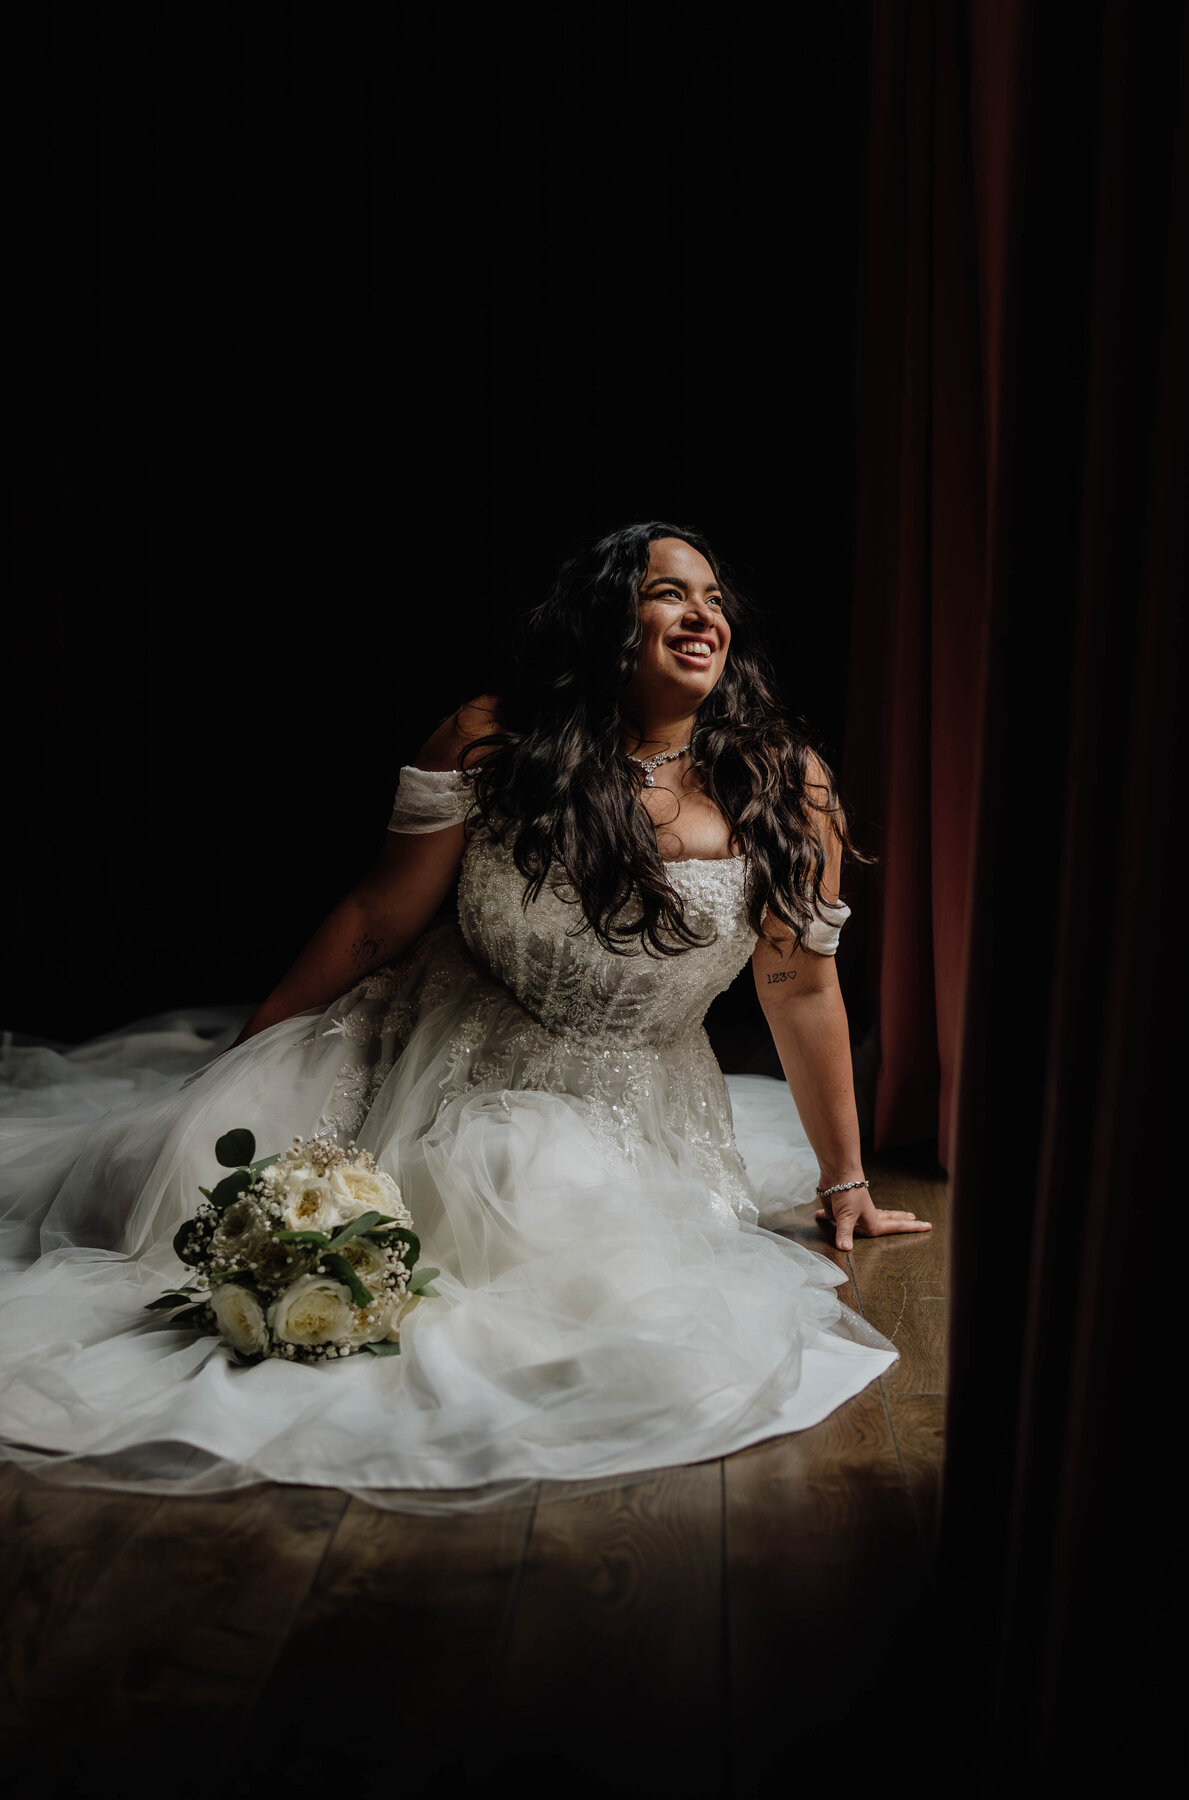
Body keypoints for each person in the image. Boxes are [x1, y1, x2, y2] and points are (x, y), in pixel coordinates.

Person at [0, 521, 930, 1505]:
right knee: (198, 1168)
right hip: (437, 1040)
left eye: (712, 597)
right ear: (608, 616)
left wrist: (847, 1180)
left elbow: (798, 986)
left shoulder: (785, 783)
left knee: (539, 1219)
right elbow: (372, 921)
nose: (702, 615)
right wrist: (250, 1052)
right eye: (668, 593)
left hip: (629, 1086)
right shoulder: (494, 740)